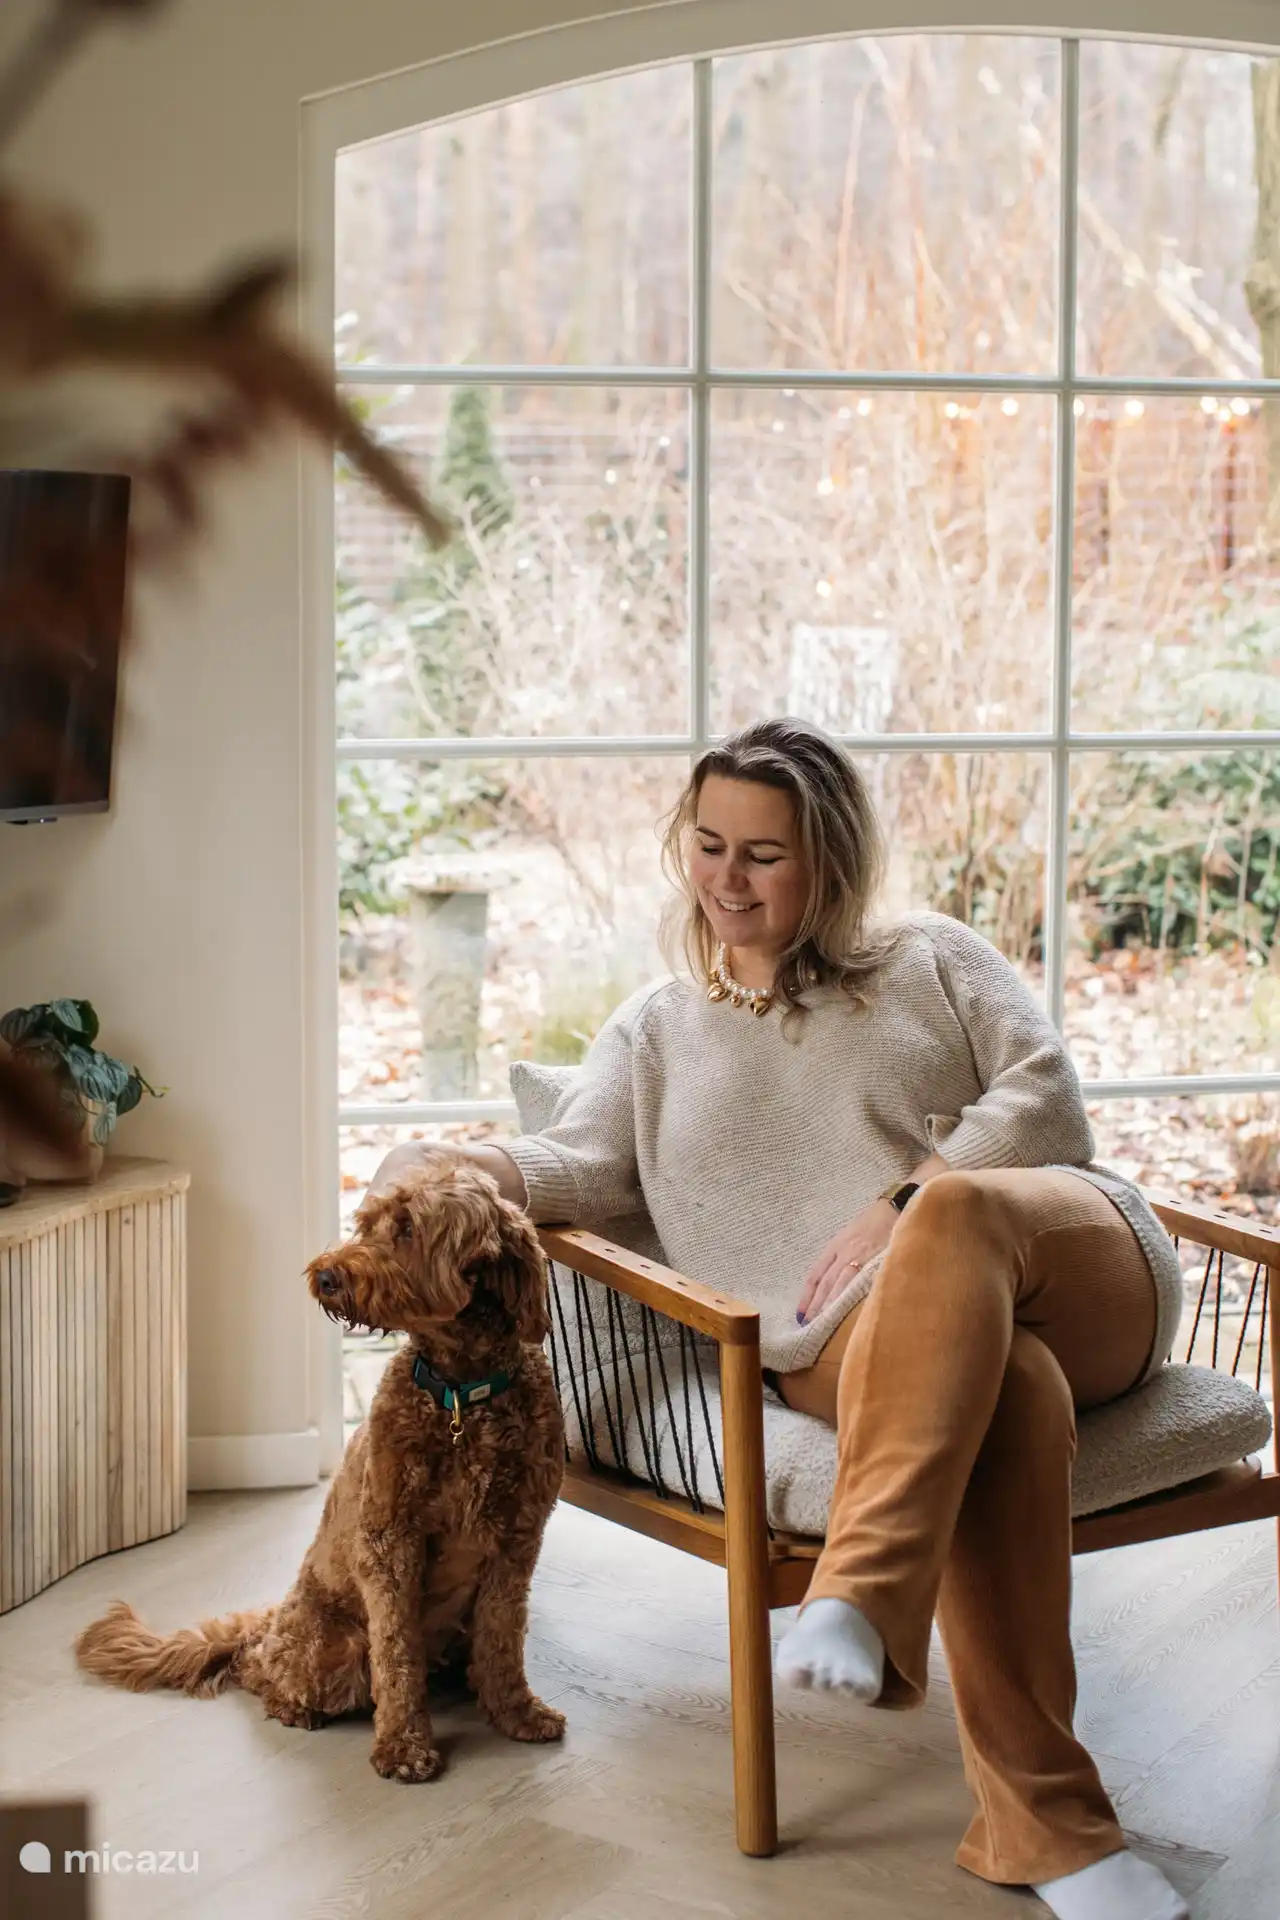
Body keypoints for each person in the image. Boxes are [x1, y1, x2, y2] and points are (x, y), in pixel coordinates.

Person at [367, 717, 1188, 1920]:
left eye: (765, 855)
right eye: (707, 846)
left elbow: (1047, 1094)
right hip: (850, 1344)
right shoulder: (655, 1028)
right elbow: (578, 1167)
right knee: (1009, 1391)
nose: (725, 880)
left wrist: (906, 1198)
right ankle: (1053, 1837)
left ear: (831, 861)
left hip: (1070, 1263)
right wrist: (449, 1160)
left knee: (952, 1221)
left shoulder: (931, 957)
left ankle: (855, 1591)